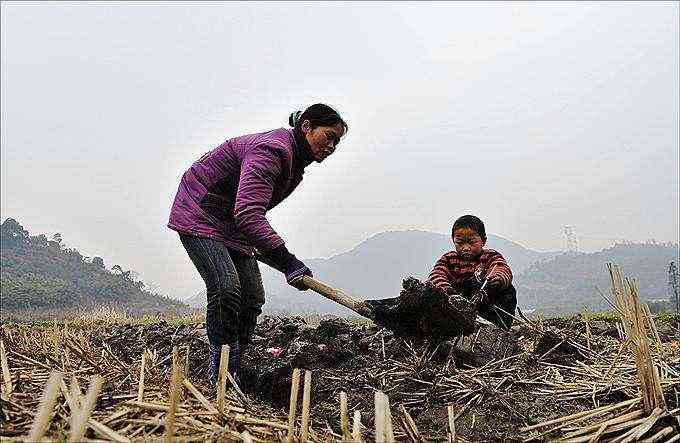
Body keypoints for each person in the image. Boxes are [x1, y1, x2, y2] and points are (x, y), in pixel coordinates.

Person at [167, 104, 348, 384]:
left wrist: (287, 264)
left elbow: (249, 214)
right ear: (307, 127)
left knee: (251, 297)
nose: (332, 146)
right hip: (201, 210)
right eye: (329, 136)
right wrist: (288, 262)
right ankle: (222, 372)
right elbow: (249, 214)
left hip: (232, 221)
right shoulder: (272, 151)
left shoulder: (294, 166)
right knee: (226, 287)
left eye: (337, 141)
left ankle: (235, 364)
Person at [427, 215, 517, 329]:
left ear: (483, 241)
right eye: (460, 243)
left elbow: (500, 268)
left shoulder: (490, 256)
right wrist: (448, 292)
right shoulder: (448, 259)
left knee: (508, 290)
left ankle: (499, 329)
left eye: (471, 242)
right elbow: (437, 275)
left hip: (485, 304)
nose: (466, 248)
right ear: (453, 240)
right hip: (456, 307)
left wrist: (495, 279)